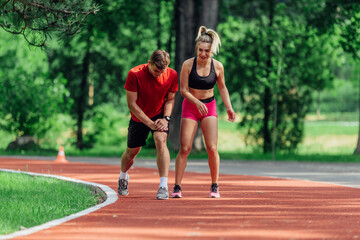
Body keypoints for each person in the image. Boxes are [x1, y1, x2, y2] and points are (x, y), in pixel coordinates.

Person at [170, 26, 236, 199]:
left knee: (212, 148)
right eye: (200, 50)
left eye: (207, 51)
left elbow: (222, 88)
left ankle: (214, 186)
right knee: (185, 148)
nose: (203, 54)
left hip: (210, 107)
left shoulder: (218, 67)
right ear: (196, 49)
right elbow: (183, 90)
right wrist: (196, 102)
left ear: (212, 50)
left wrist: (229, 108)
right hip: (191, 106)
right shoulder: (187, 65)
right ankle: (177, 187)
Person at [118, 49, 178, 200]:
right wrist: (149, 123)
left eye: (162, 71)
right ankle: (123, 176)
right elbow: (132, 104)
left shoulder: (172, 75)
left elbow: (170, 99)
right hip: (139, 117)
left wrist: (166, 118)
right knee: (132, 152)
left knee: (160, 141)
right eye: (156, 70)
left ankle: (163, 186)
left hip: (159, 115)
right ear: (149, 63)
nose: (159, 74)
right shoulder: (134, 74)